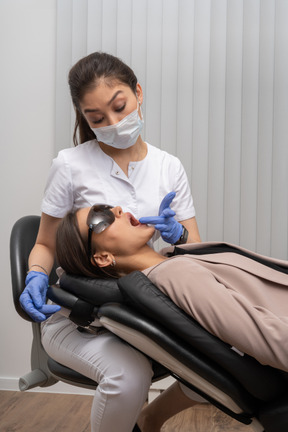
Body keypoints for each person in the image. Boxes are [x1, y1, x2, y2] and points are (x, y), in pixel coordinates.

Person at [19, 52, 201, 432]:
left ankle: (149, 420)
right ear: (83, 118)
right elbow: (45, 244)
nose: (114, 123)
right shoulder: (70, 165)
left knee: (223, 359)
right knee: (128, 377)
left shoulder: (169, 167)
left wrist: (178, 236)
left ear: (137, 92)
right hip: (81, 316)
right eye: (97, 118)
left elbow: (194, 251)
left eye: (120, 107)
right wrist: (36, 274)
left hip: (149, 311)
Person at [56, 204, 288, 377]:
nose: (117, 209)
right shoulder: (175, 274)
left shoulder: (171, 257)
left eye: (108, 207)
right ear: (103, 257)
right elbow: (269, 340)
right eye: (101, 217)